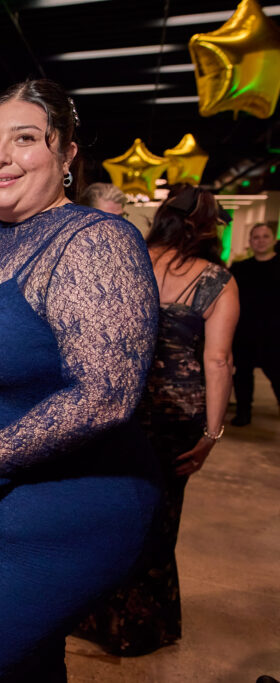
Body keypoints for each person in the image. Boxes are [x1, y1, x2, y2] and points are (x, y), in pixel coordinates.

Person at [0, 79, 161, 680]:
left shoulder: (94, 240)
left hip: (40, 518)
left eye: (25, 139)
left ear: (67, 154)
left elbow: (106, 393)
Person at [75, 185, 239, 655]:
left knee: (108, 510)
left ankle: (93, 617)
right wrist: (212, 433)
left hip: (118, 405)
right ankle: (140, 627)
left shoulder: (128, 260)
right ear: (207, 227)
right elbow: (218, 361)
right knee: (160, 518)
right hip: (175, 414)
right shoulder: (218, 281)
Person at [230, 222, 280, 425]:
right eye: (256, 237)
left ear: (273, 240)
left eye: (265, 236)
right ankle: (243, 412)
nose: (261, 241)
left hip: (275, 332)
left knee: (277, 373)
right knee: (242, 374)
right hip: (246, 331)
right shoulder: (240, 268)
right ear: (250, 241)